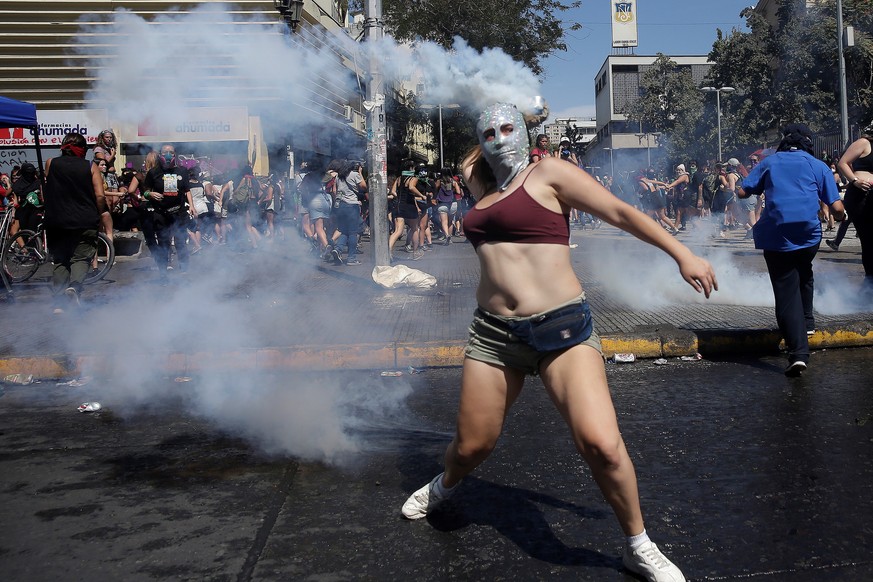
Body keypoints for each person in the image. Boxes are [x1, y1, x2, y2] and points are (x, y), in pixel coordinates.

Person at [401, 102, 718, 582]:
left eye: (509, 128)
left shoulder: (549, 172)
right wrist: (504, 118)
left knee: (602, 444)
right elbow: (473, 154)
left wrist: (682, 253)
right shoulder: (479, 179)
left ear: (526, 134)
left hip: (562, 329)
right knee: (471, 448)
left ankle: (639, 544)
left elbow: (618, 211)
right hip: (493, 334)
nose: (498, 138)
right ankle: (444, 484)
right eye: (489, 132)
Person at [739, 123, 844, 376]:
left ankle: (798, 353)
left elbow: (743, 191)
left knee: (786, 290)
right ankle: (808, 322)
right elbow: (838, 209)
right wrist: (840, 217)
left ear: (783, 143)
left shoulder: (769, 163)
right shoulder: (817, 165)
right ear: (809, 143)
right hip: (808, 236)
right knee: (804, 270)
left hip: (776, 235)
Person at [42, 132, 107, 312]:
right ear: (83, 149)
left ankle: (59, 303)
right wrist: (99, 212)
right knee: (81, 257)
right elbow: (100, 195)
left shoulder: (50, 163)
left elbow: (48, 186)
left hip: (56, 219)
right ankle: (75, 288)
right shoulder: (90, 166)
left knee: (60, 260)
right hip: (84, 219)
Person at [142, 144, 194, 278]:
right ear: (160, 155)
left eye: (171, 152)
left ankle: (184, 271)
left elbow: (187, 190)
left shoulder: (182, 171)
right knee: (163, 243)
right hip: (161, 213)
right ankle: (163, 272)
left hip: (179, 213)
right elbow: (145, 191)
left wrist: (192, 206)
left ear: (175, 155)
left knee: (180, 242)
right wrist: (150, 195)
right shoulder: (153, 172)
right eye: (165, 152)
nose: (168, 155)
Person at [836, 124, 873, 292]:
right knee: (868, 240)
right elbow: (843, 162)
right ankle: (869, 283)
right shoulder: (864, 143)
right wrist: (855, 180)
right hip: (861, 196)